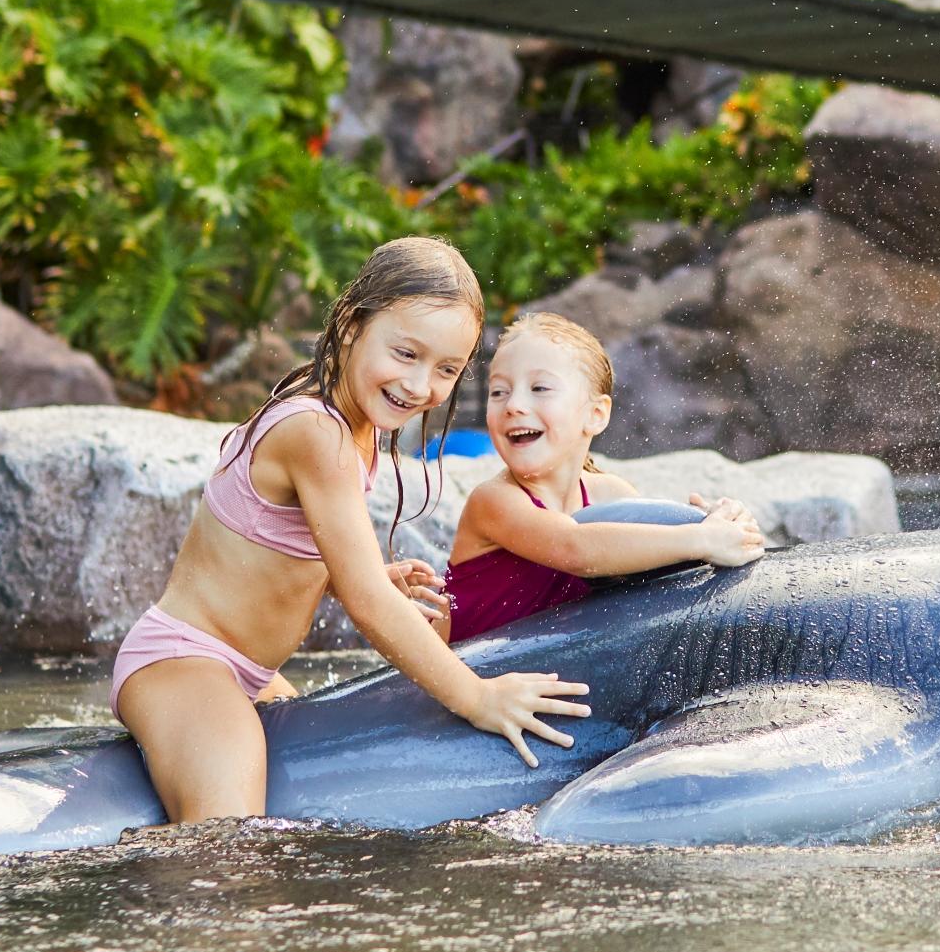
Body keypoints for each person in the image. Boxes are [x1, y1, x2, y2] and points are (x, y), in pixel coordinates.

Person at [110, 238, 590, 822]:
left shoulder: (348, 422)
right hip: (186, 662)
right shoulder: (319, 432)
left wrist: (359, 574)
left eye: (446, 370)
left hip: (253, 675)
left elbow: (273, 546)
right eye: (405, 353)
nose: (419, 386)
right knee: (228, 847)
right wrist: (477, 696)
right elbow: (367, 603)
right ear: (350, 324)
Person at [441, 313, 767, 645]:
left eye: (539, 388)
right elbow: (576, 549)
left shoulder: (610, 494)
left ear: (595, 415)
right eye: (498, 392)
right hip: (454, 683)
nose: (514, 405)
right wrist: (702, 539)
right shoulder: (495, 501)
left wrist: (719, 522)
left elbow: (655, 558)